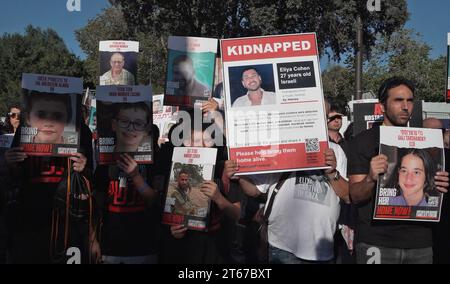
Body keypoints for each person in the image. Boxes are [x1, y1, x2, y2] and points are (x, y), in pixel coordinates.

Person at [348, 77, 449, 264]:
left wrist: (441, 184)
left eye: (410, 100)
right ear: (382, 106)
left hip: (420, 244)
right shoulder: (362, 141)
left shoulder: (426, 141)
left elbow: (435, 193)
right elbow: (355, 195)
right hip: (376, 241)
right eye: (398, 100)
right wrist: (370, 178)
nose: (405, 106)